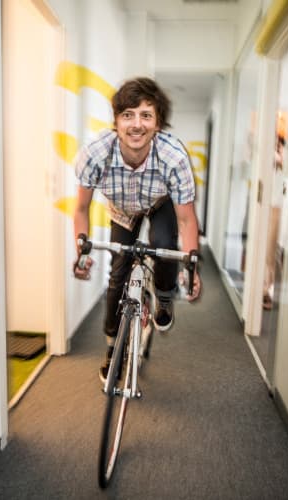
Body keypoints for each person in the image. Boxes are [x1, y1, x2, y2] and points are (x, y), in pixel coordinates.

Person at [73, 77, 201, 382]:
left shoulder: (174, 157)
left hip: (160, 203)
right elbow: (80, 209)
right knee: (117, 273)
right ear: (116, 121)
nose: (136, 124)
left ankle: (164, 298)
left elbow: (186, 219)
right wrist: (81, 252)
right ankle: (112, 347)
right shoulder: (95, 154)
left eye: (146, 115)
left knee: (163, 244)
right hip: (122, 210)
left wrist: (191, 266)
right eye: (128, 115)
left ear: (158, 123)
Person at [263, 134, 286, 310]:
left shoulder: (282, 162)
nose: (276, 147)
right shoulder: (267, 162)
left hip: (276, 210)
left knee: (270, 252)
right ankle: (264, 289)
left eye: (278, 144)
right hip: (263, 208)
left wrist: (281, 156)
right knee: (263, 252)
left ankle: (267, 291)